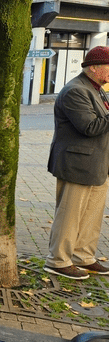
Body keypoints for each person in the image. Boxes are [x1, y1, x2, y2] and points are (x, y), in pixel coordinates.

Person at [45, 45, 109, 280]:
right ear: (94, 67)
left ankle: (83, 256)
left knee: (92, 215)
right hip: (77, 165)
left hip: (97, 164)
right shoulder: (75, 90)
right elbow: (89, 127)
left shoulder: (97, 89)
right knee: (69, 215)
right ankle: (58, 261)